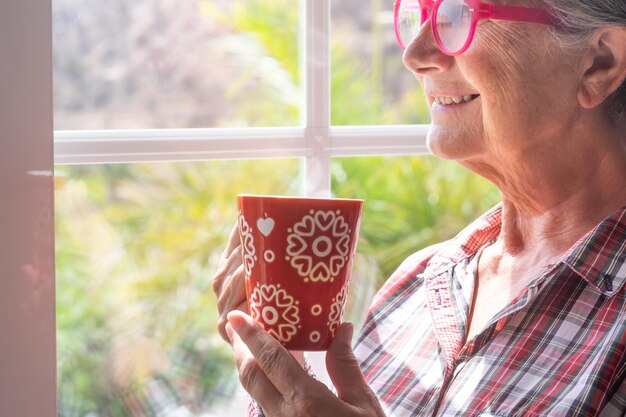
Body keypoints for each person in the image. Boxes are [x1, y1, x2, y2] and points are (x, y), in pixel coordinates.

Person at [212, 0, 626, 415]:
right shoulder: (417, 282)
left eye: (457, 16)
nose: (414, 56)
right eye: (419, 13)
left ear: (599, 63)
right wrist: (285, 379)